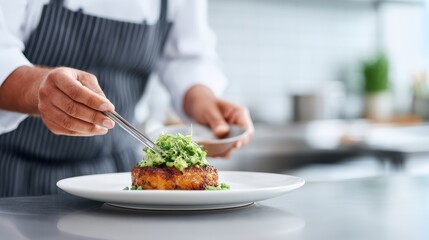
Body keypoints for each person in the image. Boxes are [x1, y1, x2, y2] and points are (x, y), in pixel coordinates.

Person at [0, 0, 254, 197]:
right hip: (15, 173)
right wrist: (38, 88)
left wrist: (203, 101)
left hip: (117, 175)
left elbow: (186, 56)